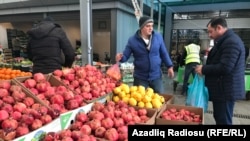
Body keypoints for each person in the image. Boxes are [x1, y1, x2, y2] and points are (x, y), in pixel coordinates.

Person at [195, 17, 245, 125]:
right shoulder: (225, 41)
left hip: (225, 91)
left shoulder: (231, 42)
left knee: (223, 121)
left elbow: (225, 67)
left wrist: (204, 69)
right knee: (220, 117)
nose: (209, 35)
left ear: (219, 28)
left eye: (210, 31)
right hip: (222, 90)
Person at [116, 16, 174, 94]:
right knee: (140, 101)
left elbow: (164, 53)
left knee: (160, 99)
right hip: (140, 77)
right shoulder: (132, 40)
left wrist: (169, 66)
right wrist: (120, 57)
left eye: (152, 26)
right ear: (141, 27)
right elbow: (126, 56)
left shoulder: (158, 37)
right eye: (148, 26)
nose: (151, 28)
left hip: (156, 76)